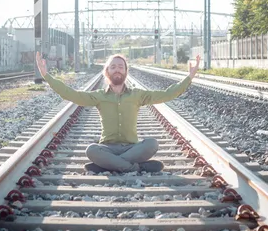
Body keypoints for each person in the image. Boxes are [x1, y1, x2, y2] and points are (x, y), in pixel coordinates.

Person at [36, 51, 200, 173]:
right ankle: (136, 167)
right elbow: (71, 94)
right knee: (91, 150)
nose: (117, 70)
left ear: (125, 71)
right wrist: (46, 75)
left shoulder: (137, 95)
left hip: (132, 148)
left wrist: (189, 78)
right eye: (113, 67)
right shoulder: (99, 96)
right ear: (107, 72)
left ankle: (109, 165)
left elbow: (166, 94)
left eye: (120, 67)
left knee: (152, 144)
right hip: (107, 148)